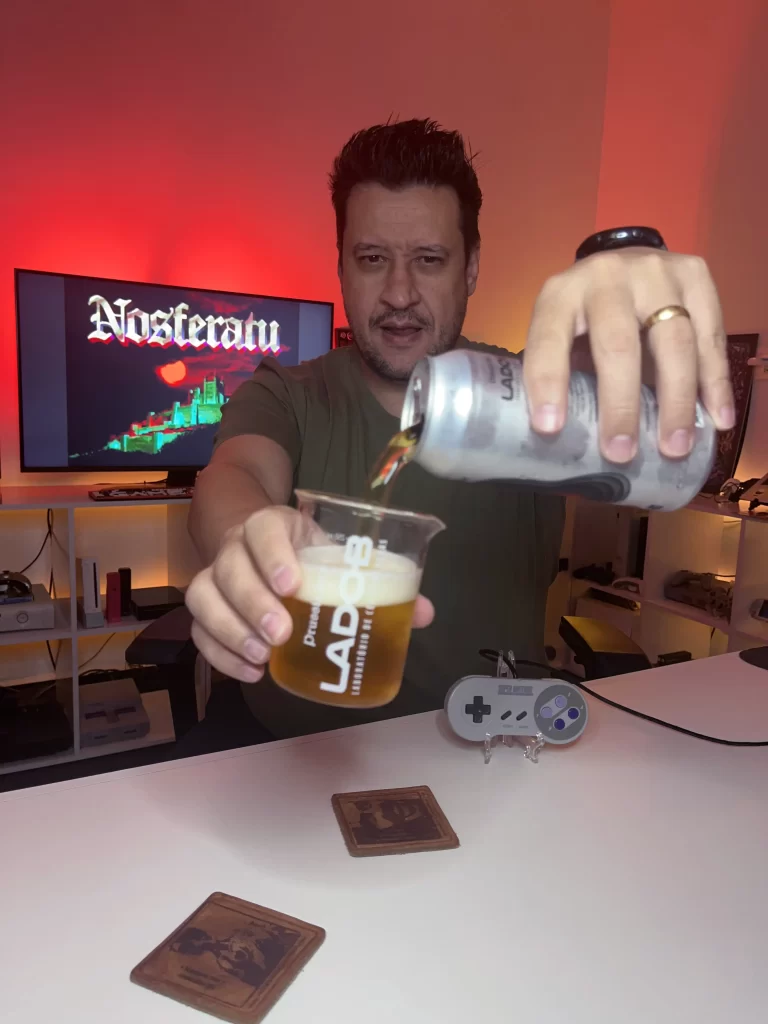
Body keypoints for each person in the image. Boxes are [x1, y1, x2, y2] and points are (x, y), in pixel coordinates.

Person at [185, 118, 734, 739]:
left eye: (429, 260)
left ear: (470, 269)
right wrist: (239, 538)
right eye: (372, 259)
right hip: (292, 757)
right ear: (341, 267)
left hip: (487, 754)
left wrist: (638, 329)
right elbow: (233, 474)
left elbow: (653, 432)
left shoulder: (529, 404)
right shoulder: (287, 392)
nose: (399, 293)